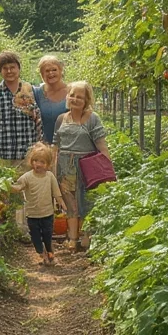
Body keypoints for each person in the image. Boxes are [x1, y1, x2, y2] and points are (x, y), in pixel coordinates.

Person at [53, 80, 111, 252]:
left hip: (87, 166)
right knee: (70, 203)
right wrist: (52, 168)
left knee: (86, 201)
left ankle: (86, 237)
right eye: (72, 95)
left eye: (80, 97)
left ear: (86, 100)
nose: (75, 99)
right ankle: (72, 239)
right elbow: (55, 145)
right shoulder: (61, 119)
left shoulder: (92, 119)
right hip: (65, 167)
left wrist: (107, 169)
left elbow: (101, 144)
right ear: (67, 97)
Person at [0, 51, 41, 168]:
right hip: (2, 155)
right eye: (5, 68)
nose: (9, 71)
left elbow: (39, 121)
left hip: (28, 155)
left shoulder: (32, 91)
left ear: (19, 68)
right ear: (0, 71)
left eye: (12, 67)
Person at [11, 143, 65, 266]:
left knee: (47, 236)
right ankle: (42, 253)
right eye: (35, 161)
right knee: (35, 237)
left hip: (47, 214)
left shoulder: (50, 176)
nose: (38, 164)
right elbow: (18, 187)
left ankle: (50, 254)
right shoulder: (27, 177)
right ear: (31, 161)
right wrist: (7, 186)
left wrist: (62, 204)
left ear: (48, 164)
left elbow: (56, 193)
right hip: (32, 215)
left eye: (42, 162)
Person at [33, 55, 69, 144]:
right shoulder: (37, 92)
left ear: (61, 71)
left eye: (54, 70)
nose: (51, 73)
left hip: (69, 145)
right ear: (41, 74)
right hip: (45, 146)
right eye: (47, 71)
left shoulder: (72, 91)